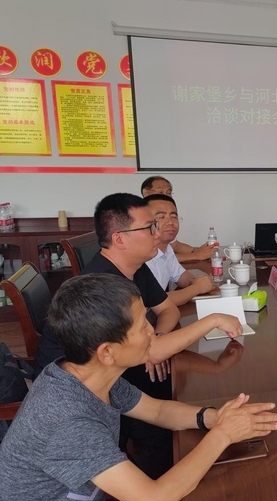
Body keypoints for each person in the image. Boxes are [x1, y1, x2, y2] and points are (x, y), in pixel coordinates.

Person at [0, 274, 277, 501]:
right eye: (141, 326)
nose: (152, 331)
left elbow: (157, 411)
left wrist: (214, 418)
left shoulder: (89, 375)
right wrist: (223, 434)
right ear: (106, 352)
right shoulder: (67, 420)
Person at [35, 193, 242, 478]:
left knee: (185, 384)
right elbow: (153, 351)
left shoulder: (135, 267)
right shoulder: (103, 285)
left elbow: (168, 310)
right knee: (180, 399)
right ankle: (163, 475)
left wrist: (156, 337)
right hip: (85, 389)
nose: (158, 233)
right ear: (119, 239)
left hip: (116, 372)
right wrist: (211, 321)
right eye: (150, 227)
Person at [145, 194, 216, 306]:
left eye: (174, 217)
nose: (170, 222)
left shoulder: (167, 248)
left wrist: (194, 281)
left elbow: (181, 276)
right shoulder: (142, 256)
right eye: (161, 217)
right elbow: (156, 302)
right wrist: (197, 288)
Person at [140, 176, 214, 263]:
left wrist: (196, 251)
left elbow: (175, 245)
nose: (165, 196)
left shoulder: (166, 240)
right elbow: (157, 258)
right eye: (160, 192)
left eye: (168, 193)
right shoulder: (139, 219)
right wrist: (196, 255)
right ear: (146, 193)